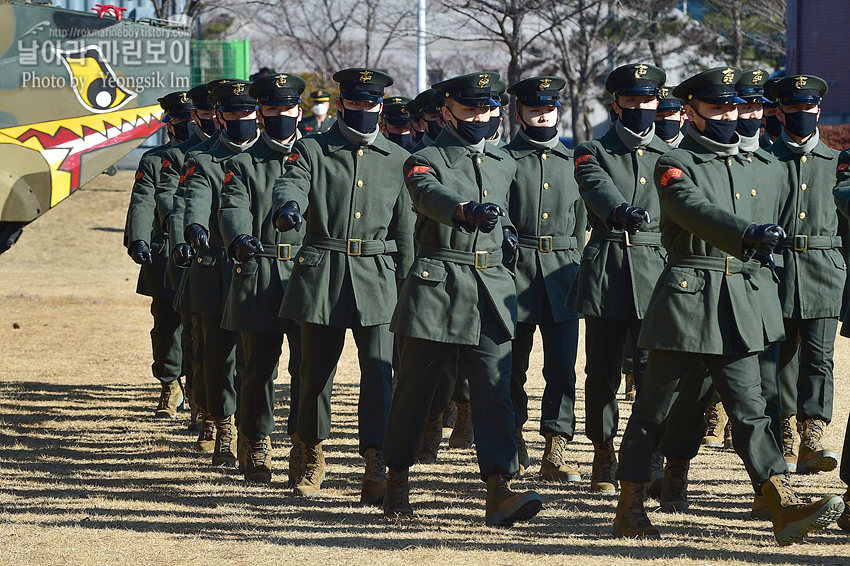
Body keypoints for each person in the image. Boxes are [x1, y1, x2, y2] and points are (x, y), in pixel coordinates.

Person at [613, 67, 843, 545]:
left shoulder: (763, 165)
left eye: (733, 107)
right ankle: (630, 504)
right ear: (692, 111)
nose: (727, 115)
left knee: (750, 408)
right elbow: (690, 208)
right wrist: (746, 236)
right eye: (716, 107)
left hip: (740, 301)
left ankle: (780, 502)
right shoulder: (675, 162)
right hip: (687, 300)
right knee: (655, 409)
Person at [382, 71, 542, 527]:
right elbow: (425, 193)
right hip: (438, 284)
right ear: (448, 108)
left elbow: (506, 211)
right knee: (415, 390)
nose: (480, 115)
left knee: (495, 392)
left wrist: (508, 233)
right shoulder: (425, 156)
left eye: (487, 107)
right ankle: (396, 481)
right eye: (470, 107)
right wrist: (464, 211)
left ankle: (499, 490)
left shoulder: (502, 161)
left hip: (491, 288)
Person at [272, 67, 415, 504]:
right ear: (340, 104)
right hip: (324, 271)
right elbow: (290, 182)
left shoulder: (398, 158)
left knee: (379, 372)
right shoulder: (313, 149)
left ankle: (376, 457)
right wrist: (289, 208)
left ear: (380, 105)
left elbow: (405, 228)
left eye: (370, 103)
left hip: (377, 275)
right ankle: (310, 450)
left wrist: (409, 286)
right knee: (316, 372)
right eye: (353, 102)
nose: (362, 109)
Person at [566, 63, 669, 493]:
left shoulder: (673, 154)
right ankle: (603, 452)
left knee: (653, 371)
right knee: (603, 371)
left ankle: (651, 454)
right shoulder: (594, 149)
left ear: (657, 103)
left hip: (658, 271)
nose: (640, 108)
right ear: (616, 104)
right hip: (608, 266)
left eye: (647, 101)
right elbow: (592, 183)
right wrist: (618, 210)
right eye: (631, 101)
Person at [218, 73, 307, 484]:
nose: (279, 116)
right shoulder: (243, 162)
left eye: (286, 108)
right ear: (259, 114)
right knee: (258, 368)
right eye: (270, 109)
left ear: (299, 111)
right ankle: (254, 441)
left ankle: (306, 444)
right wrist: (238, 237)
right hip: (260, 270)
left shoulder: (317, 156)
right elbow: (233, 206)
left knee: (309, 368)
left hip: (309, 273)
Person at [504, 76, 585, 482]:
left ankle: (557, 445)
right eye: (534, 109)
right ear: (518, 113)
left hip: (563, 273)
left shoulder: (575, 161)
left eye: (549, 109)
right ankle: (513, 437)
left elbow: (582, 224)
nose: (542, 115)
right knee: (512, 366)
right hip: (516, 273)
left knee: (562, 367)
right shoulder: (504, 160)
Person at [182, 80, 261, 467]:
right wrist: (194, 227)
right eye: (231, 113)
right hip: (214, 265)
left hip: (260, 268)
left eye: (247, 112)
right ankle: (222, 421)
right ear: (219, 116)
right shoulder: (202, 159)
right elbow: (195, 198)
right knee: (217, 354)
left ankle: (251, 431)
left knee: (257, 358)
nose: (240, 119)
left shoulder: (280, 158)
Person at [767, 75, 844, 475]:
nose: (801, 115)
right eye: (792, 109)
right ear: (779, 112)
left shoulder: (837, 163)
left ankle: (812, 433)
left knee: (820, 358)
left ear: (818, 110)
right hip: (775, 272)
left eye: (807, 108)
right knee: (778, 359)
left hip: (824, 273)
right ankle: (781, 432)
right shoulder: (764, 160)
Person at [124, 90, 193, 418]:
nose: (183, 125)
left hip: (204, 255)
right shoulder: (155, 160)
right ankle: (170, 384)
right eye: (177, 120)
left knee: (204, 327)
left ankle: (200, 388)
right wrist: (138, 238)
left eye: (188, 118)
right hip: (165, 254)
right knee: (166, 325)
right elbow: (142, 200)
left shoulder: (216, 155)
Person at [156, 83, 215, 433]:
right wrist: (181, 240)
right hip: (193, 255)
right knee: (195, 334)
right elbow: (170, 199)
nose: (208, 119)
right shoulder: (185, 156)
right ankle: (199, 401)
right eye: (204, 113)